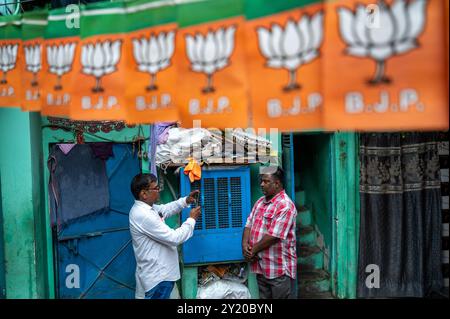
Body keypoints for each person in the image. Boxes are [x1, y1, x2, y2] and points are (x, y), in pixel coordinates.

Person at [129, 173, 201, 299]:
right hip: (158, 277)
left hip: (160, 275)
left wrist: (185, 201)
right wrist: (191, 220)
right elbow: (174, 238)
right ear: (144, 194)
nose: (159, 191)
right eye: (156, 188)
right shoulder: (144, 215)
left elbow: (164, 210)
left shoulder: (148, 209)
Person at [242, 166, 297, 299]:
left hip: (278, 269)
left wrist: (252, 251)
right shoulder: (260, 202)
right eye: (261, 181)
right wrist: (245, 245)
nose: (262, 184)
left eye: (266, 181)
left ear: (277, 183)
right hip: (261, 266)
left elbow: (274, 236)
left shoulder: (285, 205)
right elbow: (248, 224)